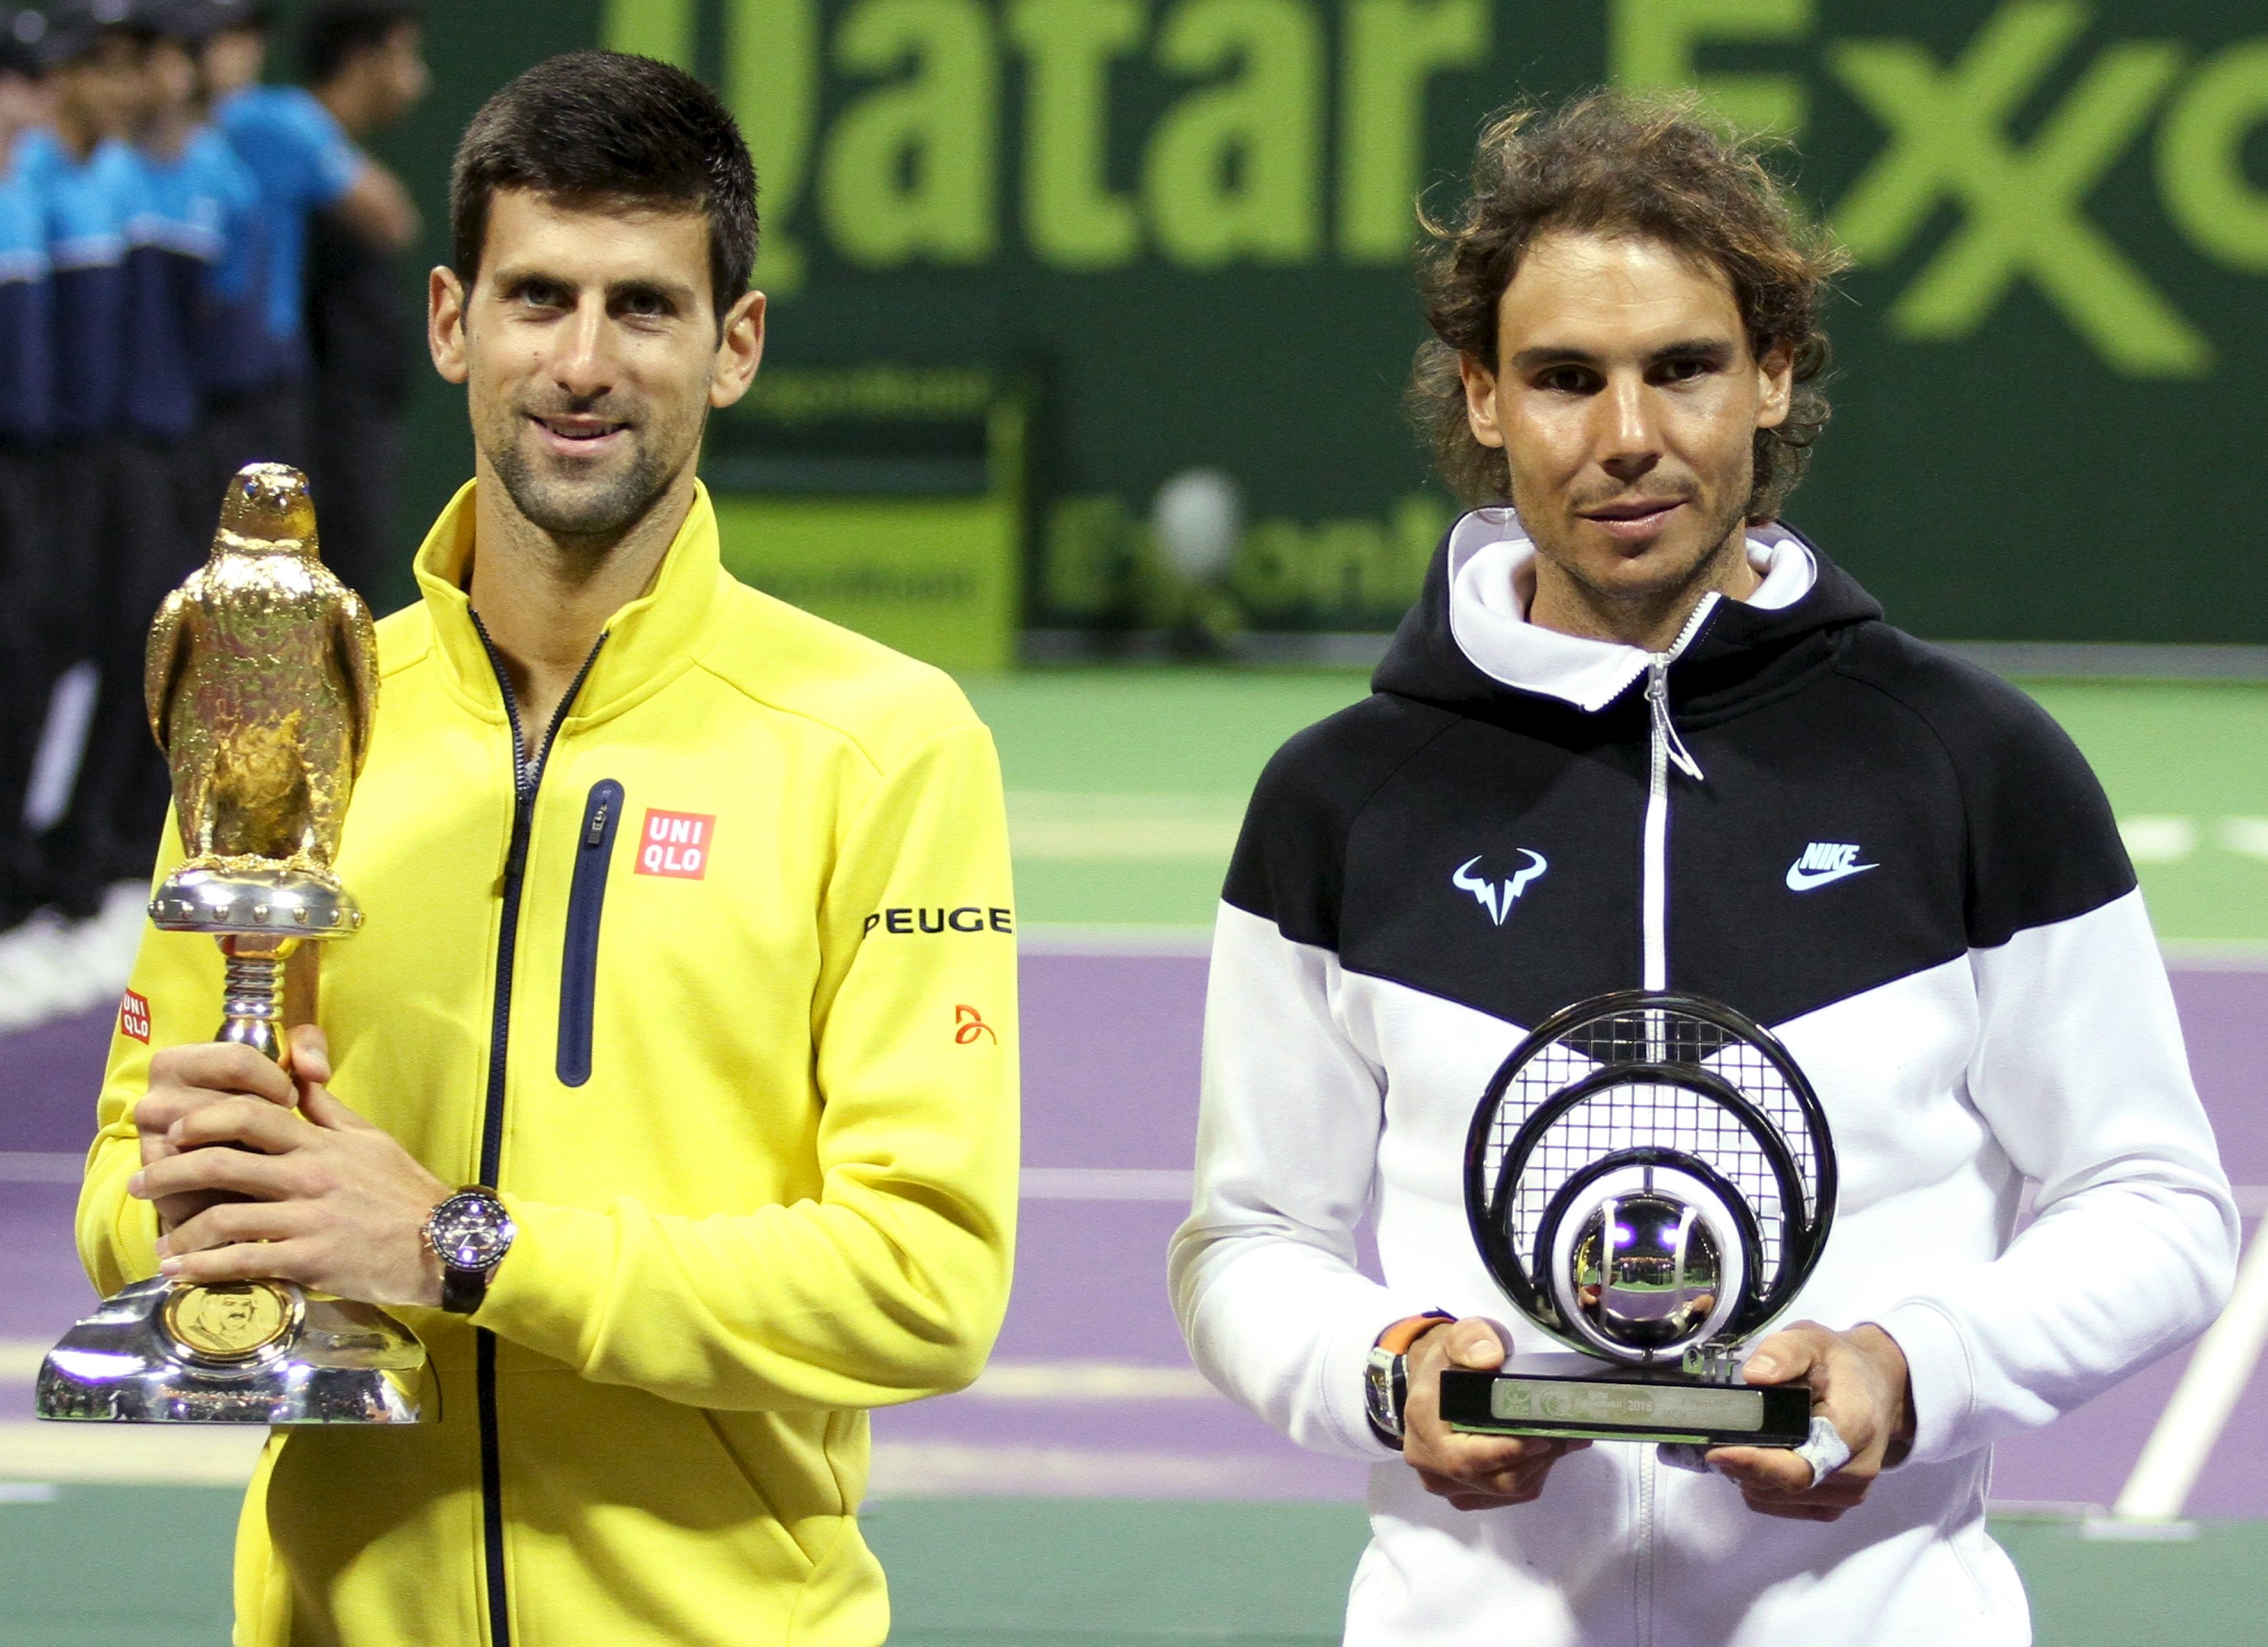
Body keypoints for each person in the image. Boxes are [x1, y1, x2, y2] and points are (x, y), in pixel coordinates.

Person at [1169, 94, 2238, 1644]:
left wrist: (1910, 1364)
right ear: (1481, 397)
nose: (1626, 437)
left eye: (1683, 368)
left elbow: (2156, 1203)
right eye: (1562, 379)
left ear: (1776, 377)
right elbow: (1248, 1239)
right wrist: (1385, 1365)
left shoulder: (1971, 765)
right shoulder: (1343, 801)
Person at [75, 49, 1019, 1647]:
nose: (581, 362)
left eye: (642, 307)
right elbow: (119, 1200)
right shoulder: (290, 721)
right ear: (452, 320)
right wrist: (202, 1197)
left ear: (736, 346)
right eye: (537, 299)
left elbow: (923, 1284)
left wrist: (461, 1246)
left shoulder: (885, 742)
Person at [204, 0, 411, 472]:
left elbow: (390, 217)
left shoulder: (271, 118)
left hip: (264, 371)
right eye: (226, 37)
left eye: (251, 36)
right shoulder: (257, 121)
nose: (244, 52)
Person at [300, 0, 427, 611]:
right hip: (317, 431)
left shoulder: (329, 151)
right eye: (405, 56)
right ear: (360, 60)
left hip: (355, 425)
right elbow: (394, 220)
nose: (418, 79)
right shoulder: (283, 130)